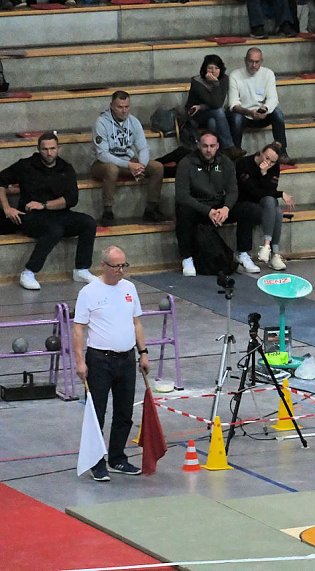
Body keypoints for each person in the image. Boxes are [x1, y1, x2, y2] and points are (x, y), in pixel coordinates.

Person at [72, 245, 151, 482]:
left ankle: (118, 457)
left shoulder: (130, 288)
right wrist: (79, 361)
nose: (120, 271)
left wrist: (143, 352)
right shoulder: (89, 292)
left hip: (126, 359)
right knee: (97, 412)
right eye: (116, 266)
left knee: (124, 411)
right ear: (103, 266)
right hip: (99, 360)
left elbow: (136, 322)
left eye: (124, 265)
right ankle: (97, 462)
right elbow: (78, 328)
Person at [0, 133, 98, 290]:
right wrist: (7, 208)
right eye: (45, 149)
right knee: (54, 229)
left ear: (58, 148)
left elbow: (71, 199)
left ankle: (82, 269)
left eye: (52, 148)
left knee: (88, 223)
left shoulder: (66, 168)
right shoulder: (26, 165)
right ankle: (29, 272)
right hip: (31, 217)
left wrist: (44, 205)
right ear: (38, 149)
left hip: (58, 213)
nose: (49, 152)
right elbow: (1, 180)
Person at [173, 131, 261, 277]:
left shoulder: (225, 162)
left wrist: (226, 208)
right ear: (198, 146)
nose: (209, 150)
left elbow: (233, 191)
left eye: (212, 146)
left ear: (218, 146)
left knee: (249, 209)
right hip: (197, 207)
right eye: (205, 146)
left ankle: (243, 253)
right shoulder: (186, 163)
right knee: (183, 211)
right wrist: (207, 211)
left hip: (218, 206)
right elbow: (182, 195)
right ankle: (187, 258)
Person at [90, 91, 167, 227]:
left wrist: (141, 166)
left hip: (128, 161)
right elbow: (102, 154)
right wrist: (129, 165)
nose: (124, 110)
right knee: (112, 169)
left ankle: (151, 209)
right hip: (103, 164)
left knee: (157, 167)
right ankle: (107, 211)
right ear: (111, 106)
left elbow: (143, 148)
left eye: (127, 106)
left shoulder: (133, 121)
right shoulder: (101, 122)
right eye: (120, 107)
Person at [228, 48, 296, 166]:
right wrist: (249, 112)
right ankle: (236, 152)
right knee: (236, 118)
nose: (253, 65)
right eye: (251, 61)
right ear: (245, 60)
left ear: (261, 61)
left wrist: (265, 109)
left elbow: (273, 99)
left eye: (257, 62)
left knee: (278, 113)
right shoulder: (235, 75)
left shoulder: (268, 73)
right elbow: (233, 104)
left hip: (262, 114)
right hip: (244, 115)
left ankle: (282, 152)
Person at [236, 142, 295, 271]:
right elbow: (253, 191)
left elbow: (270, 189)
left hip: (264, 203)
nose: (268, 163)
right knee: (276, 209)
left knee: (272, 204)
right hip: (245, 202)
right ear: (261, 152)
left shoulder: (274, 167)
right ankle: (273, 251)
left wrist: (266, 175)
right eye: (266, 158)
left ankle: (269, 248)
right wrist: (262, 173)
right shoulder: (243, 163)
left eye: (273, 162)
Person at [186, 54, 244, 160]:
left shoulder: (224, 79)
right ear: (204, 69)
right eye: (210, 68)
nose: (213, 71)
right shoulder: (197, 81)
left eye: (217, 68)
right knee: (219, 111)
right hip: (197, 115)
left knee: (213, 122)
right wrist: (216, 83)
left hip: (212, 114)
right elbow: (216, 104)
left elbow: (218, 102)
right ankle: (229, 147)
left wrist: (202, 106)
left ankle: (217, 153)